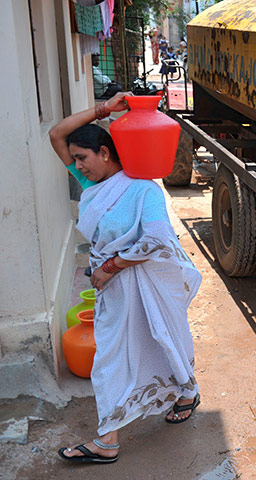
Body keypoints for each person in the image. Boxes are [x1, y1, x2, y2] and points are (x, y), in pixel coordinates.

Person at [52, 93, 202, 464]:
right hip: (114, 290)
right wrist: (106, 109)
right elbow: (57, 134)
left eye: (82, 158)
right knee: (117, 355)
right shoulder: (93, 187)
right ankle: (113, 436)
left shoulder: (143, 189)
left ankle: (181, 395)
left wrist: (110, 267)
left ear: (105, 152)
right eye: (74, 161)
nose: (77, 166)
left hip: (144, 282)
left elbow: (156, 239)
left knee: (161, 338)